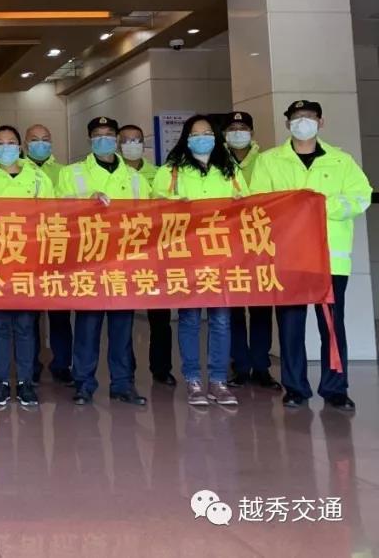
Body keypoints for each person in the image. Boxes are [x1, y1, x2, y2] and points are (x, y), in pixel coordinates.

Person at [249, 100, 372, 411]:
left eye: (308, 117)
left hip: (330, 259)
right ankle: (295, 388)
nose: (302, 122)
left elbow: (361, 196)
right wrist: (294, 208)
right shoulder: (269, 161)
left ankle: (335, 388)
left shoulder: (341, 161)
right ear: (287, 123)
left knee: (332, 325)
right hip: (288, 256)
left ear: (321, 122)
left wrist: (321, 206)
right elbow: (258, 203)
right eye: (296, 117)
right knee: (290, 324)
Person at [153, 115, 247, 407]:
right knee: (190, 319)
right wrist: (173, 205)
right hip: (186, 257)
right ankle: (193, 379)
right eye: (196, 134)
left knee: (221, 320)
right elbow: (153, 207)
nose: (202, 138)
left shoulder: (230, 169)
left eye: (207, 133)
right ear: (186, 138)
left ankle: (218, 380)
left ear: (216, 137)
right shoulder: (171, 171)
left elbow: (248, 205)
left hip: (222, 256)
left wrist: (238, 205)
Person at [57, 117, 150, 406]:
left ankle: (122, 383)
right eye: (98, 134)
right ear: (90, 139)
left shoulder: (135, 178)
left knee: (122, 327)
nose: (104, 139)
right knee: (88, 326)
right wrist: (86, 199)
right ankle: (84, 383)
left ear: (117, 139)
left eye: (109, 134)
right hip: (89, 260)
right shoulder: (71, 173)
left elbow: (149, 218)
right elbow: (57, 211)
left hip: (124, 261)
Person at [0, 126, 55, 409]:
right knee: (0, 326)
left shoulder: (39, 179)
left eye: (10, 142)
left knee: (26, 325)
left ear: (20, 147)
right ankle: (1, 383)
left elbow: (51, 219)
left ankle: (27, 383)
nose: (5, 147)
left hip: (29, 263)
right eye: (0, 143)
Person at [223, 111, 278, 390]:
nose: (237, 132)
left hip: (259, 243)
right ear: (224, 134)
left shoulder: (267, 161)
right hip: (226, 244)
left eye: (243, 127)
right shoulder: (217, 162)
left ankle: (261, 366)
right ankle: (240, 365)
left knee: (260, 308)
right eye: (232, 127)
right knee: (232, 309)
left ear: (252, 132)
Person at [119, 123, 175, 387]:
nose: (133, 144)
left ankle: (161, 368)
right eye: (127, 140)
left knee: (160, 316)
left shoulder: (158, 173)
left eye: (137, 139)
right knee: (123, 317)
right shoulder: (115, 174)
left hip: (155, 253)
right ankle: (125, 369)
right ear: (119, 144)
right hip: (122, 253)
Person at [22, 124, 72, 386]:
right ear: (25, 144)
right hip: (26, 250)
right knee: (29, 315)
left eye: (45, 139)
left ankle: (62, 364)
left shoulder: (65, 172)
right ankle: (30, 365)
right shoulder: (17, 170)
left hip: (57, 249)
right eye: (34, 140)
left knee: (60, 313)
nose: (40, 144)